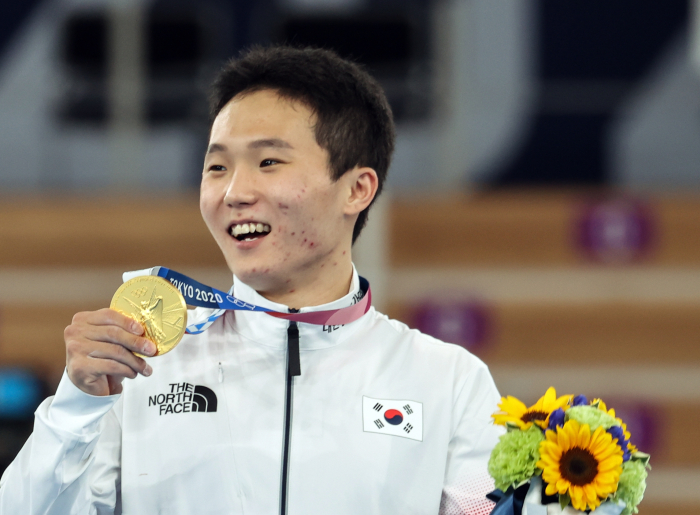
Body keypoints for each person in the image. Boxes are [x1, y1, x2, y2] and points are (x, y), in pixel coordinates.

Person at [0, 46, 501, 514]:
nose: (235, 191)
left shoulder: (450, 383)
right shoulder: (140, 365)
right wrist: (77, 404)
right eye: (217, 166)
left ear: (356, 189)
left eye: (268, 162)